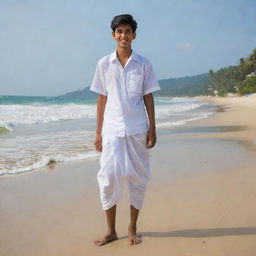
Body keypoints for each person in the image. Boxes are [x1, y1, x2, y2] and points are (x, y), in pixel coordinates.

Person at [90, 14, 160, 246]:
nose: (123, 36)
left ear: (134, 35)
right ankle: (110, 230)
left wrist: (153, 128)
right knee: (108, 179)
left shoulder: (144, 64)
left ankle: (132, 227)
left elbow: (148, 96)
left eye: (127, 31)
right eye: (119, 32)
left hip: (138, 129)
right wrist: (98, 132)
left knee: (138, 178)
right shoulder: (103, 64)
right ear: (113, 35)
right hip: (111, 130)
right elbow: (102, 98)